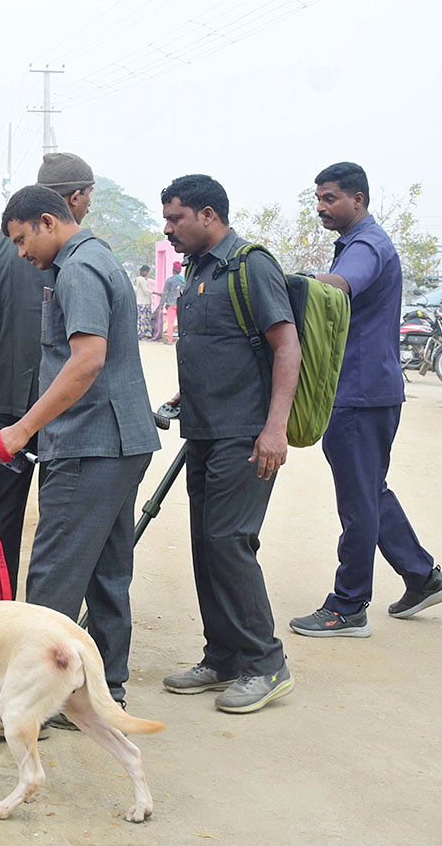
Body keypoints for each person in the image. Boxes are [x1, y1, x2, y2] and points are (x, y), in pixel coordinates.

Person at [0, 185, 159, 739]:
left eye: (23, 240)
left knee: (52, 579)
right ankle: (101, 691)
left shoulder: (78, 269)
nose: (21, 253)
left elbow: (87, 360)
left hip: (92, 443)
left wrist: (20, 431)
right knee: (105, 570)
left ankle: (25, 707)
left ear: (48, 222)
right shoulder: (94, 258)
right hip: (120, 442)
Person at [159, 174, 300, 714]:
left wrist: (275, 429)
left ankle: (266, 662)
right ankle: (223, 656)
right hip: (205, 430)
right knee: (206, 543)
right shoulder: (197, 269)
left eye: (177, 219)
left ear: (209, 216)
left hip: (246, 433)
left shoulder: (250, 265)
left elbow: (286, 347)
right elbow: (219, 348)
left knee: (229, 541)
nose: (169, 229)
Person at [289, 162, 441, 635]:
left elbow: (339, 285)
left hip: (359, 392)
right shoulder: (358, 241)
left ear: (358, 198)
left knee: (357, 500)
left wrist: (290, 283)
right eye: (318, 198)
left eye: (330, 198)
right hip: (364, 389)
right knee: (370, 491)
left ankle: (349, 606)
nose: (321, 207)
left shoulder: (367, 245)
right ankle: (422, 576)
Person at [0, 151, 96, 610]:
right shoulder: (91, 253)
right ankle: (50, 621)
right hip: (68, 411)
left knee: (2, 515)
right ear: (74, 198)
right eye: (89, 198)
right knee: (64, 521)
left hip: (11, 404)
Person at [151, 262, 184, 343]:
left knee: (171, 322)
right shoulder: (183, 280)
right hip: (180, 303)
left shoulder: (169, 280)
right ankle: (181, 338)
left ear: (173, 270)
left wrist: (162, 304)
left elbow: (165, 293)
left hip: (170, 304)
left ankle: (170, 340)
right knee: (181, 322)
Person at [133, 265, 155, 338]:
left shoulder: (142, 279)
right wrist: (155, 293)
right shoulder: (141, 279)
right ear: (142, 271)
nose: (147, 273)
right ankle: (141, 333)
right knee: (143, 318)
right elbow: (146, 291)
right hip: (142, 302)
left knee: (145, 318)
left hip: (145, 302)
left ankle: (145, 333)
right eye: (146, 271)